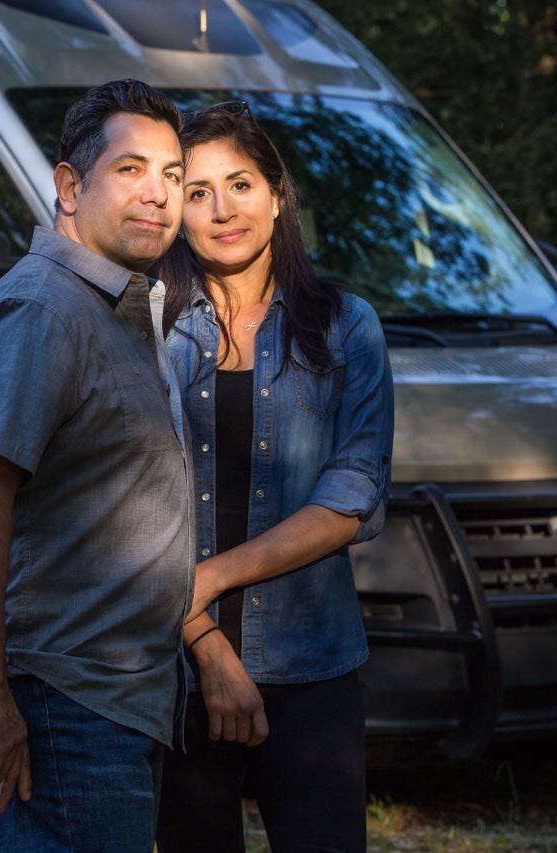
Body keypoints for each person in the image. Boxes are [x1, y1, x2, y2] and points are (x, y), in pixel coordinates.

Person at [0, 79, 193, 852]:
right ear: (70, 185)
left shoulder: (110, 303)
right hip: (58, 703)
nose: (158, 194)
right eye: (131, 170)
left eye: (173, 176)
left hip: (109, 697)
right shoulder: (44, 310)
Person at [152, 101, 394, 852]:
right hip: (177, 675)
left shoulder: (347, 326)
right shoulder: (148, 328)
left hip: (312, 669)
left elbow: (353, 495)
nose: (223, 210)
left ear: (277, 192)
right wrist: (206, 639)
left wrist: (210, 577)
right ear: (177, 212)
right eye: (197, 192)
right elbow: (120, 507)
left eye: (241, 183)